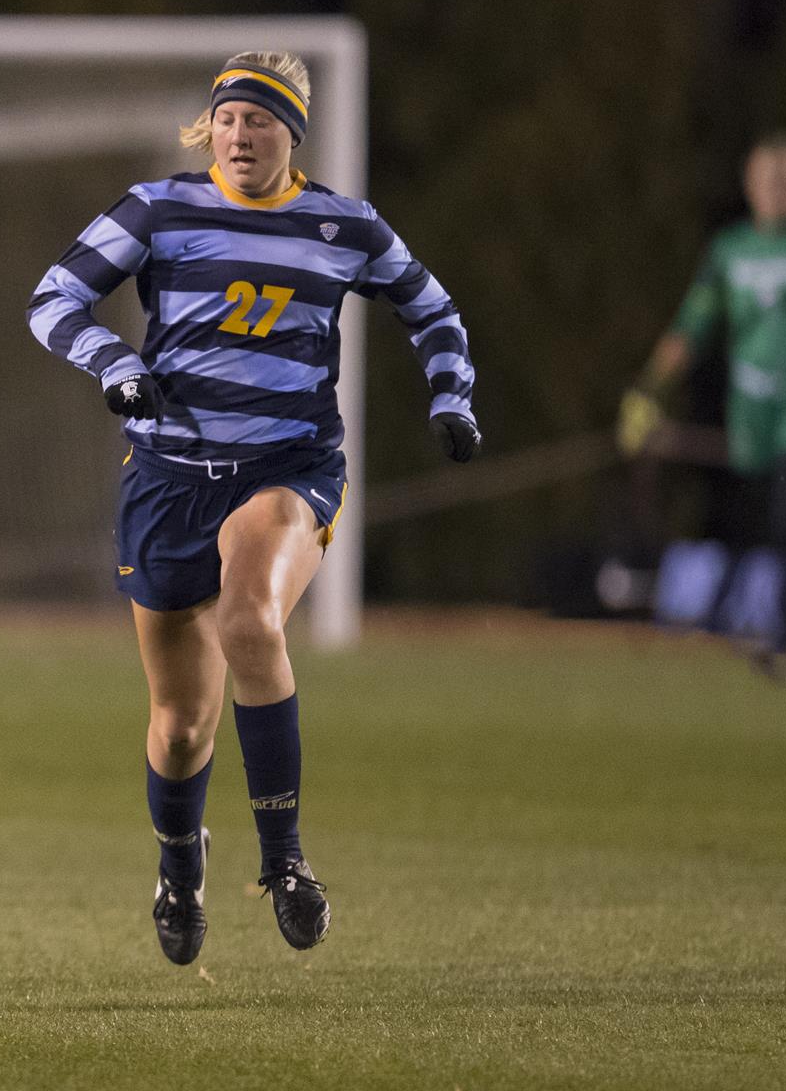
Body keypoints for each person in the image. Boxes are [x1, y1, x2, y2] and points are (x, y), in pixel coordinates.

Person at [26, 52, 478, 963]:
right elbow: (52, 298)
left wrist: (451, 397)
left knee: (249, 617)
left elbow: (432, 309)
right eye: (228, 118)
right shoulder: (159, 207)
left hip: (287, 464)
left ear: (293, 134)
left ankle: (284, 859)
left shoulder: (343, 225)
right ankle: (178, 868)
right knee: (182, 722)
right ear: (211, 127)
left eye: (261, 121)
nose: (240, 134)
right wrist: (117, 365)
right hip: (168, 477)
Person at [621, 132, 786, 672]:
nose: (779, 191)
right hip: (755, 412)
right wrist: (647, 391)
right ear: (751, 186)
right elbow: (692, 326)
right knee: (755, 525)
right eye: (769, 180)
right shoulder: (730, 250)